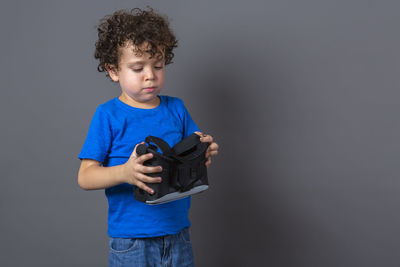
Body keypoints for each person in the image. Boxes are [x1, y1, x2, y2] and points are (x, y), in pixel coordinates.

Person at [77, 7, 219, 267]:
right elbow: (85, 177)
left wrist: (204, 151)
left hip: (178, 235)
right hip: (131, 242)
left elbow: (191, 155)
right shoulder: (108, 115)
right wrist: (125, 173)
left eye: (158, 65)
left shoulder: (176, 108)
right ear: (113, 70)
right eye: (137, 67)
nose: (150, 75)